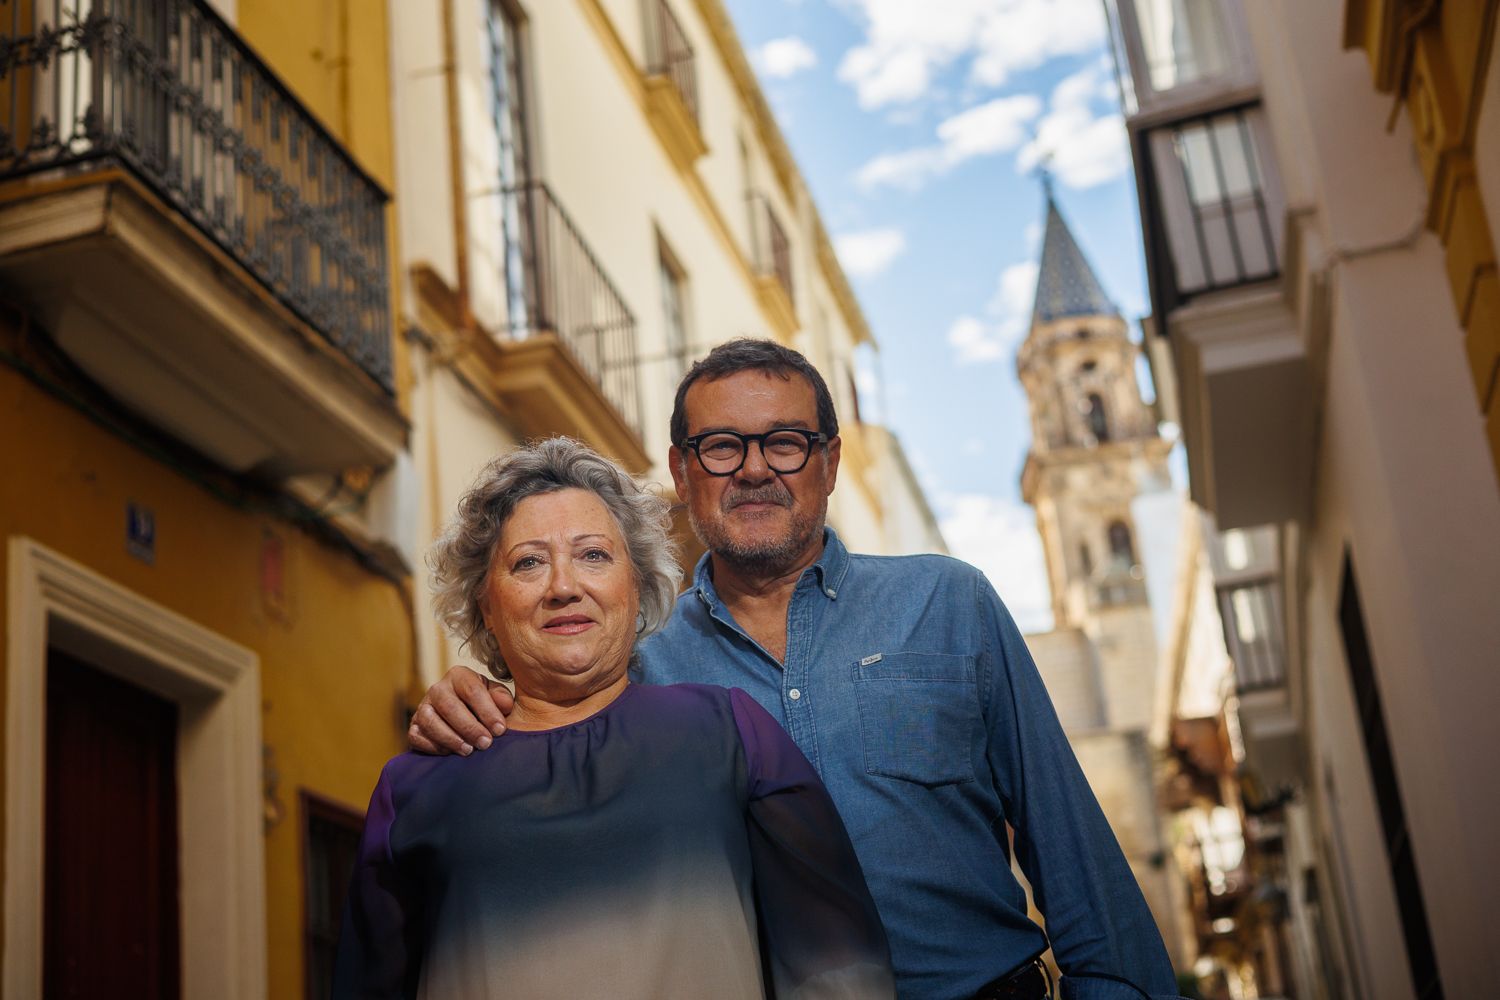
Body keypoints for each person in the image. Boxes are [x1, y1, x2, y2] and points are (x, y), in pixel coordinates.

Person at [410, 340, 1185, 1000]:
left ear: (830, 462)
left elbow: (1072, 848)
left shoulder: (949, 604)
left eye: (785, 441)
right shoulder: (638, 669)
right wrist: (476, 700)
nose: (754, 469)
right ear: (683, 475)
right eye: (722, 447)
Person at [334, 437, 895, 999]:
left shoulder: (730, 734)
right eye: (528, 562)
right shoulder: (415, 788)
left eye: (594, 555)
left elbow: (839, 969)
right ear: (486, 602)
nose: (563, 586)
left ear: (637, 581)